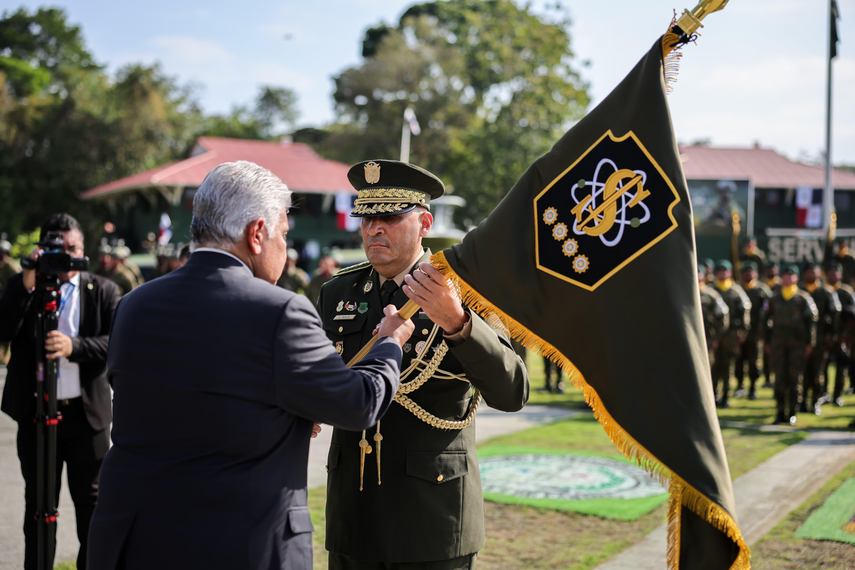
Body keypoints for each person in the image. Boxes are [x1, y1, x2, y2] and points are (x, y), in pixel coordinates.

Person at [87, 161, 412, 570]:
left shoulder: (134, 304)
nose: (284, 248)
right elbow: (359, 404)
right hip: (239, 544)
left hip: (135, 540)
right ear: (257, 234)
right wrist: (389, 343)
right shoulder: (279, 311)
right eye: (283, 235)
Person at [318, 159, 529, 570]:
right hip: (353, 513)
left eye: (391, 217)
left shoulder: (467, 292)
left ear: (425, 223)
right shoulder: (338, 292)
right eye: (366, 218)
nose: (373, 229)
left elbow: (513, 391)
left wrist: (459, 323)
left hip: (432, 515)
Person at [0, 213, 121, 570]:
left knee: (93, 510)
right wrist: (27, 281)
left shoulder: (102, 290)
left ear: (84, 250)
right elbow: (3, 328)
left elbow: (116, 343)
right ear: (41, 250)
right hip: (37, 418)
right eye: (57, 249)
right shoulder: (23, 286)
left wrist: (74, 346)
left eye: (73, 248)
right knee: (38, 506)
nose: (65, 257)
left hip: (87, 420)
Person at [765, 265, 817, 425]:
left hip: (797, 346)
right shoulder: (774, 298)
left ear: (796, 279)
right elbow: (764, 320)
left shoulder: (803, 298)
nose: (787, 279)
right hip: (778, 345)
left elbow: (812, 321)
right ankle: (780, 411)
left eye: (791, 276)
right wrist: (767, 342)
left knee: (795, 378)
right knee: (779, 378)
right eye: (785, 276)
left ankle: (792, 412)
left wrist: (810, 343)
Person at [801, 262, 840, 414]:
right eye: (809, 272)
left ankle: (815, 401)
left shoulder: (826, 292)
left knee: (818, 371)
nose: (811, 274)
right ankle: (802, 401)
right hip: (801, 340)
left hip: (821, 339)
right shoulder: (800, 291)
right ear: (804, 274)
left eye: (814, 272)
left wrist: (832, 336)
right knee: (802, 372)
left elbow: (835, 315)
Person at [711, 260, 751, 408]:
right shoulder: (712, 290)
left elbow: (745, 311)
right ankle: (712, 395)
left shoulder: (736, 291)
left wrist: (743, 331)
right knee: (713, 366)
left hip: (731, 335)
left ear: (730, 273)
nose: (722, 274)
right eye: (720, 271)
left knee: (727, 365)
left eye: (725, 271)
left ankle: (725, 395)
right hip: (714, 335)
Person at [734, 262, 772, 400]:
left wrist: (764, 331)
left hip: (756, 333)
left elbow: (769, 311)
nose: (748, 275)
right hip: (739, 333)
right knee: (739, 360)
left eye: (751, 272)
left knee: (754, 361)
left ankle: (752, 388)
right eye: (746, 272)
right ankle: (739, 386)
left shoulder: (762, 291)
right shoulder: (737, 289)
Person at [825, 263, 854, 406]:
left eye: (835, 273)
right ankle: (823, 393)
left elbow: (852, 317)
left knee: (841, 366)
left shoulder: (846, 292)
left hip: (843, 335)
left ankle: (837, 395)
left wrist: (845, 336)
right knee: (822, 366)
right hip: (825, 335)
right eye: (829, 273)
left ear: (840, 275)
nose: (832, 276)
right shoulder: (822, 291)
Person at [699, 268, 729, 373]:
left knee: (707, 364)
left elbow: (723, 314)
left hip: (706, 336)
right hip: (688, 335)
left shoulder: (711, 294)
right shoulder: (684, 292)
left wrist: (716, 336)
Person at [762, 261, 781, 388]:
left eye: (773, 269)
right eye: (769, 269)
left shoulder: (780, 286)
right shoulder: (762, 286)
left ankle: (777, 379)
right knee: (765, 353)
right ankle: (767, 378)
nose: (771, 272)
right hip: (767, 326)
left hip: (779, 326)